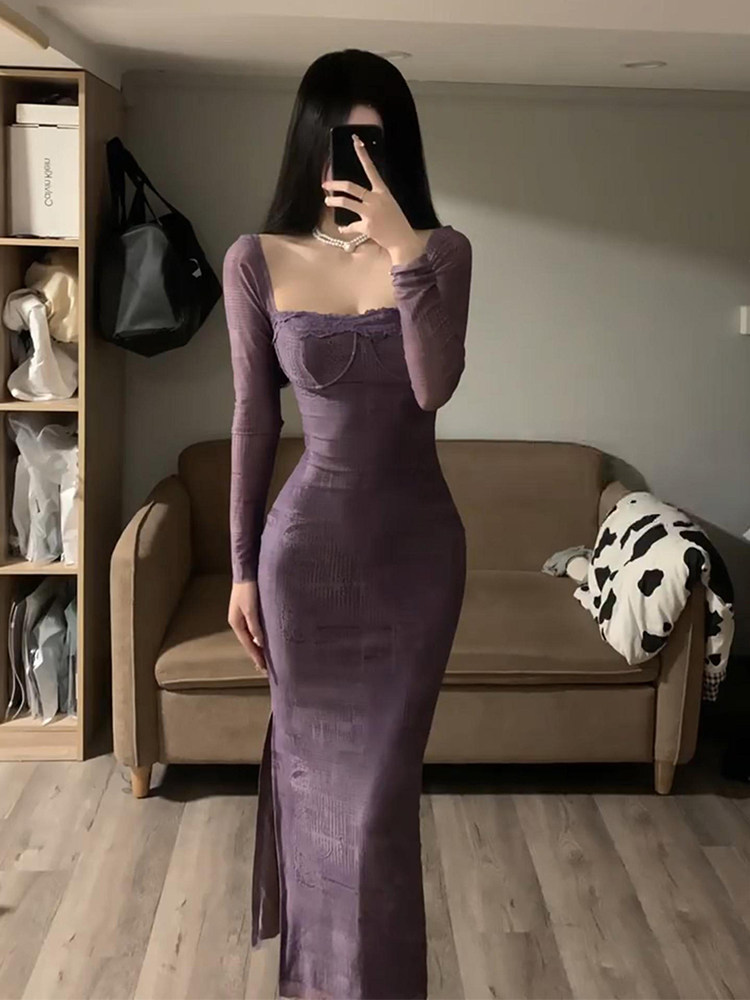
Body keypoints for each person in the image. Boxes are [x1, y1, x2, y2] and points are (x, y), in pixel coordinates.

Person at [222, 47, 472, 1000]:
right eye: (346, 141)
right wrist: (242, 569)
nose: (361, 159)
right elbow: (255, 420)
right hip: (304, 564)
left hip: (416, 563)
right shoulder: (256, 260)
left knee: (377, 809)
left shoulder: (443, 252)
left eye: (379, 142)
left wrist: (402, 253)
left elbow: (432, 385)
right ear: (311, 142)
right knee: (315, 796)